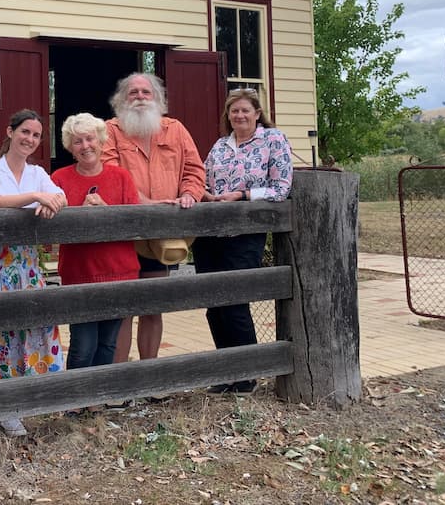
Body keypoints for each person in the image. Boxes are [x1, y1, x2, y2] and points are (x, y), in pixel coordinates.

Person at [0, 109, 67, 437]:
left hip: (26, 266)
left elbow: (60, 194)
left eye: (36, 135)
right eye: (25, 132)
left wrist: (53, 202)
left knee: (28, 330)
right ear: (10, 132)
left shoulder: (37, 173)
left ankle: (18, 402)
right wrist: (35, 197)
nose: (30, 139)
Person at [101, 73, 206, 366]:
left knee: (152, 307)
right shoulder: (109, 131)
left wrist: (189, 195)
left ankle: (150, 377)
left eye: (146, 92)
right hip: (123, 236)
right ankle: (120, 379)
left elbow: (195, 171)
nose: (139, 97)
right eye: (132, 92)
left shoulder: (176, 130)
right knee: (123, 309)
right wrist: (146, 204)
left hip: (161, 237)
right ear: (121, 100)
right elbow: (110, 175)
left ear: (158, 99)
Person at [197, 88, 293, 395]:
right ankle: (227, 371)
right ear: (228, 115)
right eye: (234, 111)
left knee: (235, 301)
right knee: (213, 304)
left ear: (257, 113)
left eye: (245, 110)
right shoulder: (220, 146)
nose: (239, 115)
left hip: (245, 232)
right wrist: (205, 193)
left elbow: (281, 188)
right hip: (211, 232)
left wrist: (241, 195)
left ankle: (247, 373)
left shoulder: (272, 140)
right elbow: (204, 178)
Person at [51, 113, 140, 372]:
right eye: (77, 141)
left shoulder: (121, 176)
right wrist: (79, 213)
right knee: (83, 343)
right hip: (79, 273)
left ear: (101, 142)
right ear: (70, 147)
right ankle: (76, 402)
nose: (85, 146)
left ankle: (97, 402)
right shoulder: (59, 178)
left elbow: (136, 223)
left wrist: (106, 211)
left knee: (108, 343)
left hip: (119, 271)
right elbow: (53, 230)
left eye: (90, 139)